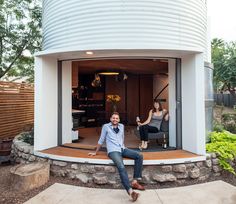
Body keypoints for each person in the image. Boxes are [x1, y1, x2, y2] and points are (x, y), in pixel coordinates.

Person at [88, 112, 145, 202]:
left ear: (119, 120)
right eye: (113, 118)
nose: (115, 119)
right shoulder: (106, 127)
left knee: (139, 156)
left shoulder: (121, 126)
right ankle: (130, 192)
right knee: (121, 166)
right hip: (113, 151)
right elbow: (101, 139)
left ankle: (134, 182)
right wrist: (95, 152)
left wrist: (124, 147)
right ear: (110, 119)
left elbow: (122, 137)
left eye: (117, 118)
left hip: (122, 148)